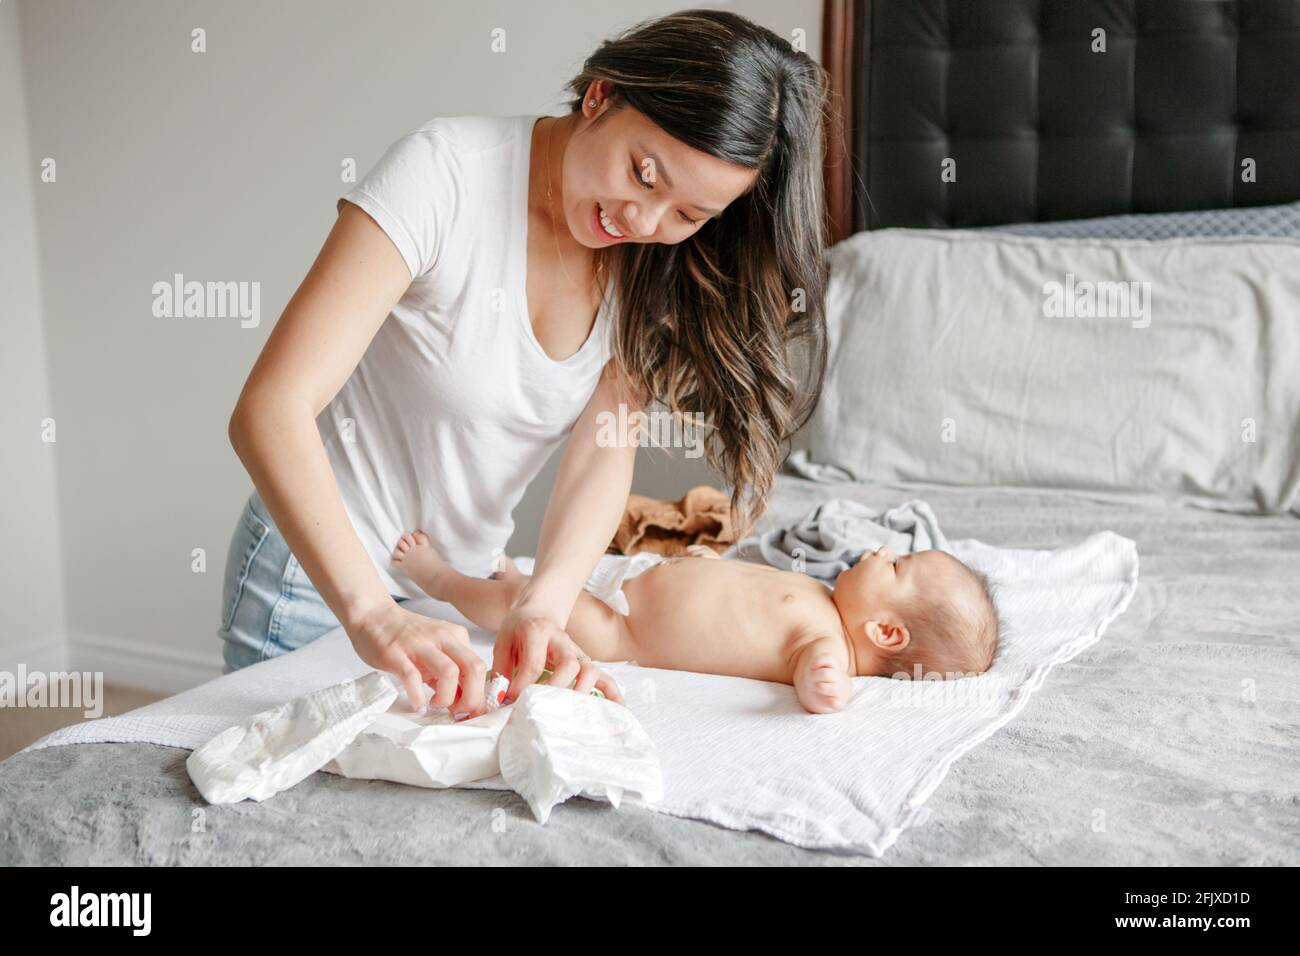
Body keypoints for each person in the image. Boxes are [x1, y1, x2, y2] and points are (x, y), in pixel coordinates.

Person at [218, 9, 831, 720]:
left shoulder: (648, 267)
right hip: (316, 580)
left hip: (458, 590)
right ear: (601, 95)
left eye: (687, 214)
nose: (642, 221)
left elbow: (603, 449)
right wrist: (370, 614)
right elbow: (269, 410)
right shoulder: (443, 173)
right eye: (643, 172)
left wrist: (543, 604)